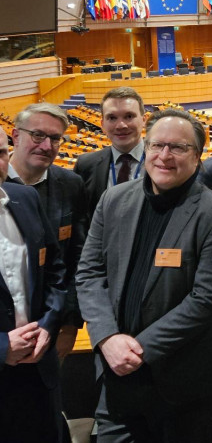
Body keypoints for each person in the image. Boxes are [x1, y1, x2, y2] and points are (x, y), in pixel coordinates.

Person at [76, 109, 212, 442]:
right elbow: (89, 274)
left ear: (197, 157)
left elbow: (207, 299)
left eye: (178, 148)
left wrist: (138, 349)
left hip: (184, 381)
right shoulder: (113, 199)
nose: (164, 156)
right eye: (156, 145)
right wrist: (107, 338)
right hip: (117, 373)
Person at [8, 103, 88, 359]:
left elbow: (79, 257)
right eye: (38, 135)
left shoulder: (71, 185)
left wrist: (69, 321)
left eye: (55, 138)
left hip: (53, 326)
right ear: (16, 136)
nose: (46, 145)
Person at [0, 131, 66, 442]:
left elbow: (53, 269)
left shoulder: (24, 198)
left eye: (1, 153)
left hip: (38, 370)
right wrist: (2, 348)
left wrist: (48, 325)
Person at [74, 86, 146, 219]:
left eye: (129, 116)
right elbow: (81, 218)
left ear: (143, 120)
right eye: (112, 118)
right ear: (102, 124)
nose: (121, 125)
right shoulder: (86, 165)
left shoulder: (163, 160)